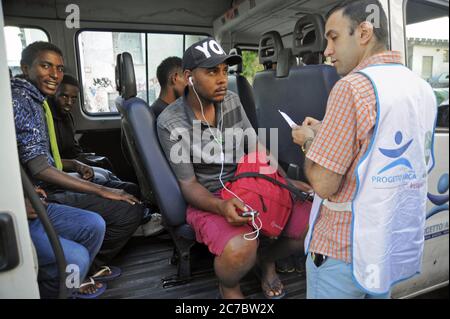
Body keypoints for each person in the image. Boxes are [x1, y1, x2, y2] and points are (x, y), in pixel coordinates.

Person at [291, 0, 437, 299]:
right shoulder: (419, 86)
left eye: (333, 38)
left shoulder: (351, 87)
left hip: (342, 251)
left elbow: (323, 183)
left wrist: (309, 140)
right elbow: (377, 144)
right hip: (384, 250)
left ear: (364, 32)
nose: (327, 51)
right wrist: (328, 132)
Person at [157, 37, 311, 299]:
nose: (221, 79)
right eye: (211, 71)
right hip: (211, 198)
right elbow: (189, 184)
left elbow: (258, 150)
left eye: (224, 71)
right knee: (242, 246)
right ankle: (229, 285)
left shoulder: (231, 100)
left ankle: (266, 259)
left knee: (311, 220)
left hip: (250, 182)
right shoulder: (169, 122)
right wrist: (221, 207)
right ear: (188, 76)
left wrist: (285, 183)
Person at [11, 41, 145, 282]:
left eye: (59, 68)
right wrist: (103, 191)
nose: (54, 74)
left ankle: (85, 269)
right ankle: (83, 270)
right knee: (125, 207)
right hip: (42, 192)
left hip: (38, 190)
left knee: (121, 196)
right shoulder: (20, 100)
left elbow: (36, 158)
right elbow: (40, 166)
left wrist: (79, 165)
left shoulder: (35, 100)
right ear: (25, 67)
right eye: (45, 66)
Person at [27, 187, 106, 298]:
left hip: (31, 203)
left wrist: (29, 192)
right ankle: (65, 291)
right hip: (12, 216)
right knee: (76, 258)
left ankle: (76, 280)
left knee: (95, 224)